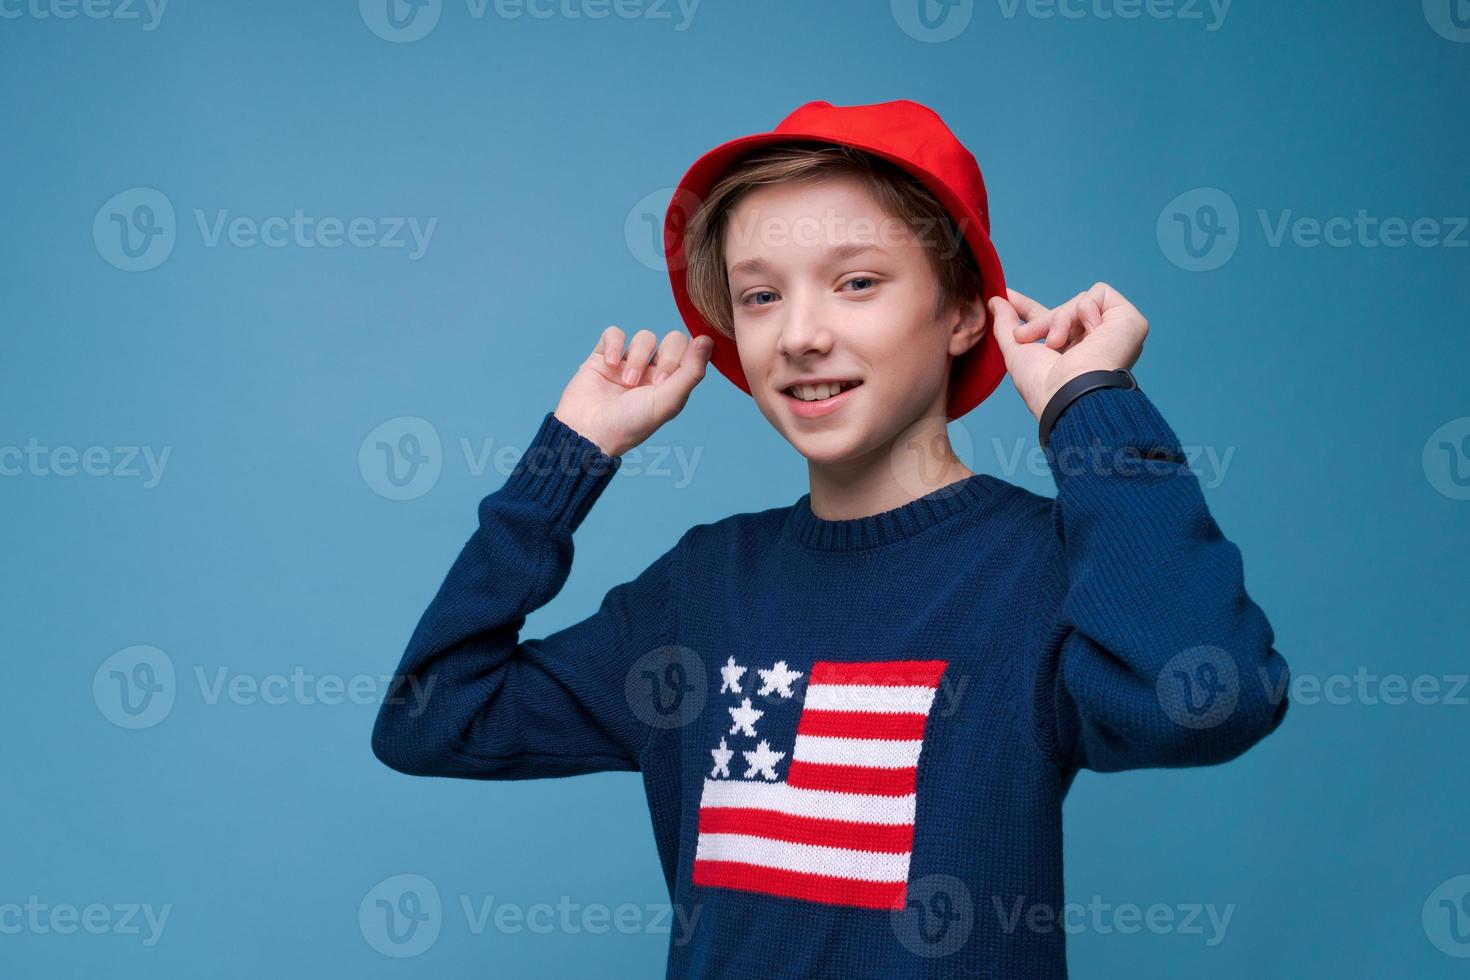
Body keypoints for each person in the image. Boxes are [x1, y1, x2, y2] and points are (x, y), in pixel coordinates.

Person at [371, 99, 1291, 979]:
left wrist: (1091, 408)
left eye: (857, 282)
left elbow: (1208, 701)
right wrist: (566, 460)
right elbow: (432, 717)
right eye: (761, 296)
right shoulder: (702, 587)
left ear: (964, 310)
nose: (801, 334)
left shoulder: (1043, 571)